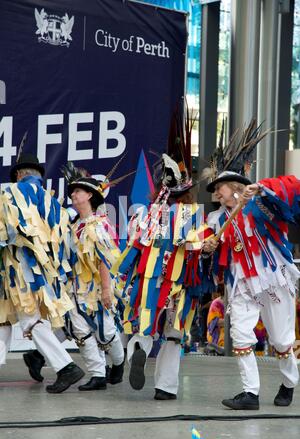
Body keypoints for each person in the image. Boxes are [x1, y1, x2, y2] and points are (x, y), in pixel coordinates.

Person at [113, 103, 215, 400]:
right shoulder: (190, 216)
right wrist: (207, 244)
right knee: (173, 334)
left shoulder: (146, 214)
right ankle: (165, 388)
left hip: (149, 283)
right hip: (179, 286)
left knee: (144, 324)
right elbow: (198, 243)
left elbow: (133, 249)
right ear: (189, 191)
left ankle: (138, 353)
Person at [203, 119, 300, 409]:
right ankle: (250, 394)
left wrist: (262, 188)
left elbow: (292, 188)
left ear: (234, 186)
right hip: (242, 282)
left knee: (281, 339)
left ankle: (289, 383)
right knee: (241, 333)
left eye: (219, 188)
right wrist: (208, 247)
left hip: (272, 278)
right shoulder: (217, 220)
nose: (216, 194)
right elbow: (213, 251)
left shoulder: (260, 202)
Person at [24, 163, 126, 391]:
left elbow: (106, 260)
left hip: (97, 289)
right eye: (72, 191)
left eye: (77, 191)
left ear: (90, 195)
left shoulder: (99, 225)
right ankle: (98, 374)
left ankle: (119, 364)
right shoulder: (72, 226)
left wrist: (108, 290)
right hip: (74, 290)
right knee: (80, 331)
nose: (73, 194)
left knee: (106, 331)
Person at [0, 150, 84, 393]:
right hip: (42, 272)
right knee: (3, 316)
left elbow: (6, 233)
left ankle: (66, 366)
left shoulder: (11, 193)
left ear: (18, 174)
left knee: (30, 319)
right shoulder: (52, 202)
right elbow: (65, 243)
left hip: (19, 267)